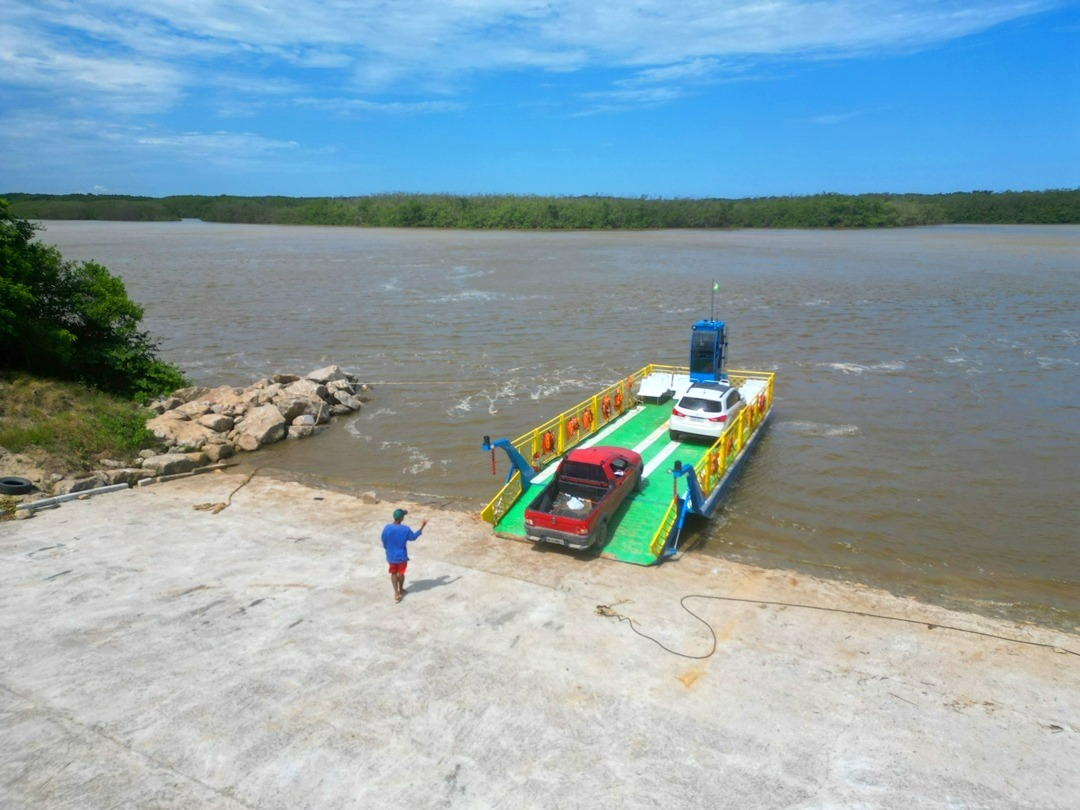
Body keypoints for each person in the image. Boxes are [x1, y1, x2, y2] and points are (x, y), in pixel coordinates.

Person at [381, 508, 427, 603]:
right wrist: (422, 527)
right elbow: (413, 537)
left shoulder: (387, 527)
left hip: (391, 556)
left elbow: (383, 539)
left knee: (393, 573)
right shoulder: (405, 529)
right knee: (401, 573)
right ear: (401, 518)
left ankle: (396, 593)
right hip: (401, 556)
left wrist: (387, 548)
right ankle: (401, 589)